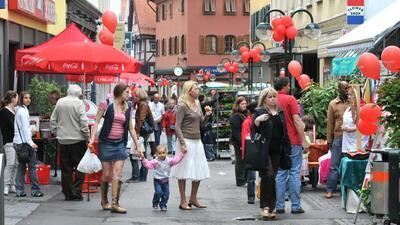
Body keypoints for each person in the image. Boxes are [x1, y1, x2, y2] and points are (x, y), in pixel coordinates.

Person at [89, 82, 141, 214]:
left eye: (129, 92)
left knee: (117, 173)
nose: (129, 95)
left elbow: (130, 128)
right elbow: (96, 122)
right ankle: (104, 201)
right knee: (106, 175)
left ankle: (115, 203)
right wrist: (91, 139)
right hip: (106, 143)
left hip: (120, 144)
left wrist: (137, 144)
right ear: (119, 92)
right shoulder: (105, 104)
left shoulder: (128, 107)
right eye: (127, 92)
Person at [170, 80, 211, 210]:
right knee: (183, 171)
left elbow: (201, 125)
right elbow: (177, 126)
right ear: (189, 91)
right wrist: (182, 143)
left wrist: (208, 116)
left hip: (197, 140)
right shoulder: (182, 105)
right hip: (186, 140)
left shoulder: (197, 103)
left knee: (198, 169)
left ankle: (193, 198)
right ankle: (183, 200)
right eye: (196, 88)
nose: (198, 90)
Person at [253, 87, 291, 219]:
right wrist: (257, 121)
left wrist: (287, 148)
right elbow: (253, 131)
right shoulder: (260, 112)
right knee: (267, 176)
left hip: (277, 150)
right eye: (270, 97)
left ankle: (271, 206)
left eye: (274, 96)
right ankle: (265, 206)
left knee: (272, 178)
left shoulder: (280, 112)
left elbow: (284, 132)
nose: (273, 99)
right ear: (264, 99)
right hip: (264, 150)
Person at [50, 84, 90, 201]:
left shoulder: (60, 102)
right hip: (77, 139)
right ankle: (76, 191)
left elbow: (53, 120)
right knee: (80, 167)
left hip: (63, 139)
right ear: (79, 93)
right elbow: (83, 123)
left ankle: (67, 193)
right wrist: (87, 137)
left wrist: (57, 132)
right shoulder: (79, 103)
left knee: (66, 168)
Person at [274, 77, 306, 214]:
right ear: (284, 86)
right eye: (288, 86)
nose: (289, 88)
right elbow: (297, 120)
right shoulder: (290, 99)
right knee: (294, 172)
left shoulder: (272, 99)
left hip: (278, 141)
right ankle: (295, 205)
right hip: (292, 140)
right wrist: (303, 139)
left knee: (280, 173)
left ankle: (279, 205)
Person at [325, 81, 353, 199]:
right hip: (338, 136)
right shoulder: (333, 104)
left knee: (348, 163)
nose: (347, 90)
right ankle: (330, 189)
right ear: (339, 89)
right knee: (334, 164)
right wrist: (329, 140)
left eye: (348, 87)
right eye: (344, 88)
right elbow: (330, 123)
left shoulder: (352, 102)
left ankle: (345, 190)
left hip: (350, 138)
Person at [14, 91, 43, 197]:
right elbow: (25, 129)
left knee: (21, 167)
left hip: (19, 142)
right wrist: (31, 143)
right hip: (25, 143)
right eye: (25, 98)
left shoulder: (20, 110)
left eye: (29, 98)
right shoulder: (22, 111)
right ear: (21, 99)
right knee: (32, 167)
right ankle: (35, 190)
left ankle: (19, 190)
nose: (28, 99)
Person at [141, 145, 186, 211]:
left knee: (166, 194)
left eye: (163, 153)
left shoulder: (169, 161)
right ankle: (155, 202)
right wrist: (143, 159)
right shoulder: (155, 161)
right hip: (157, 180)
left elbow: (176, 160)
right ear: (156, 154)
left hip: (165, 180)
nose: (162, 155)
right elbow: (148, 165)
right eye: (159, 153)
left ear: (166, 153)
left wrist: (182, 154)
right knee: (158, 192)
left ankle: (163, 205)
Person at [0, 91, 18, 195]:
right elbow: (12, 126)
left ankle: (12, 184)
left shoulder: (14, 110)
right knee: (11, 163)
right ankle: (5, 185)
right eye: (17, 97)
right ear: (12, 98)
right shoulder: (4, 111)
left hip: (16, 140)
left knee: (16, 164)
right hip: (9, 140)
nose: (17, 99)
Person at [135, 88, 155, 182]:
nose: (134, 97)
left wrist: (137, 132)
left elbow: (141, 119)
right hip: (144, 131)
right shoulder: (141, 104)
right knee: (142, 151)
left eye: (135, 95)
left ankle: (143, 175)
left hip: (143, 131)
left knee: (142, 151)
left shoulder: (142, 104)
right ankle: (142, 174)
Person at [240, 101, 258, 204]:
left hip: (258, 151)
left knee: (258, 177)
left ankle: (257, 195)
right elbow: (244, 139)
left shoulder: (258, 120)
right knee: (251, 177)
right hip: (251, 152)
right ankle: (251, 196)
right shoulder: (247, 122)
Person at [230, 96, 248, 187]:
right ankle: (240, 180)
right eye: (242, 104)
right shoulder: (236, 116)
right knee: (240, 160)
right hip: (239, 142)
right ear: (238, 105)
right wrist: (241, 143)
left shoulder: (245, 114)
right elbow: (236, 132)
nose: (244, 105)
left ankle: (244, 179)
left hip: (244, 141)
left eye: (245, 103)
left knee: (244, 160)